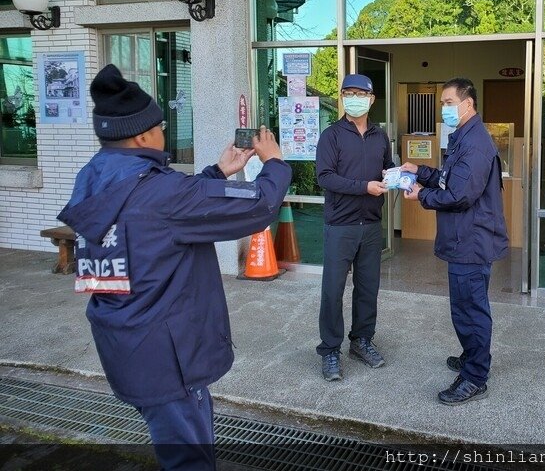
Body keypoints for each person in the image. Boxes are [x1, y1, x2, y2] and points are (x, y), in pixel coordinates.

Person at [57, 64, 291, 471]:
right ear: (143, 135)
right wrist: (275, 163)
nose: (164, 132)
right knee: (189, 457)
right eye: (161, 125)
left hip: (126, 343)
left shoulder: (94, 179)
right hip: (169, 356)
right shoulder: (162, 193)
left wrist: (217, 174)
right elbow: (259, 205)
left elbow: (161, 215)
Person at [402, 77, 508, 406]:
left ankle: (475, 377)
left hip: (471, 241)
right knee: (463, 307)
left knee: (470, 309)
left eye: (449, 103)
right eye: (443, 103)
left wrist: (422, 195)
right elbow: (451, 178)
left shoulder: (475, 142)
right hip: (464, 237)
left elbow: (459, 195)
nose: (444, 108)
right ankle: (471, 356)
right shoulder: (463, 136)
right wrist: (419, 171)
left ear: (467, 104)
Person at [315, 73, 393, 382]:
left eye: (360, 93)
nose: (354, 98)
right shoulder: (331, 135)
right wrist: (365, 187)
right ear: (342, 98)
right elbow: (325, 177)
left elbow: (386, 168)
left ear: (372, 99)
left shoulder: (379, 136)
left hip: (371, 225)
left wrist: (394, 178)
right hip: (341, 225)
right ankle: (330, 349)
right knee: (332, 291)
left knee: (368, 288)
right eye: (348, 92)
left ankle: (361, 340)